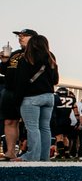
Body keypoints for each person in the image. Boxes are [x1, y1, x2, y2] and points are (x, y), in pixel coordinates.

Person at [11, 33, 60, 161]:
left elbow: (21, 82)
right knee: (45, 127)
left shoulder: (26, 58)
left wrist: (17, 100)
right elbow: (55, 80)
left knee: (32, 127)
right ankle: (44, 157)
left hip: (31, 98)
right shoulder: (51, 59)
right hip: (49, 97)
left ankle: (33, 155)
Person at [2, 30, 35, 161]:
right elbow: (5, 72)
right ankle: (10, 151)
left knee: (30, 123)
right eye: (19, 36)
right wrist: (4, 61)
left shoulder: (37, 53)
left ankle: (33, 152)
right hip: (9, 90)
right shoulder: (15, 53)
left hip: (27, 91)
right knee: (9, 120)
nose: (20, 38)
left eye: (24, 35)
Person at [51, 85, 81, 159]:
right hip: (67, 120)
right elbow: (75, 111)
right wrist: (78, 120)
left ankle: (61, 154)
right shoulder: (72, 99)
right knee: (65, 137)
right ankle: (66, 154)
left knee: (59, 137)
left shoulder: (55, 98)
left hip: (57, 120)